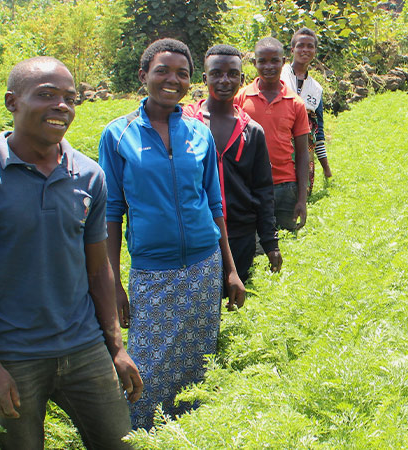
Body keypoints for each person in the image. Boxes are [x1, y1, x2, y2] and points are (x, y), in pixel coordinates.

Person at [0, 56, 142, 448]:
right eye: (47, 95)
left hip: (84, 347)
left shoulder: (89, 175)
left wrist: (116, 348)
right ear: (12, 101)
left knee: (120, 442)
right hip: (15, 356)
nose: (61, 106)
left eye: (69, 98)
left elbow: (98, 269)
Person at [98, 38, 246, 430]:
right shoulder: (118, 135)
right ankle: (142, 436)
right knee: (145, 367)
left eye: (182, 73)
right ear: (143, 75)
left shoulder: (199, 133)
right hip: (152, 272)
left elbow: (215, 205)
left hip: (203, 268)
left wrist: (230, 270)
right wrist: (114, 285)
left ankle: (188, 434)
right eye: (162, 70)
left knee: (196, 365)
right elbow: (111, 213)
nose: (172, 80)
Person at [186, 44, 283, 282]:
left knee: (236, 298)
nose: (224, 80)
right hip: (196, 236)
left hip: (241, 236)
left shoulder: (252, 131)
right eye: (216, 73)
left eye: (232, 74)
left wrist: (270, 242)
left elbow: (263, 189)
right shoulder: (186, 126)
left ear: (242, 78)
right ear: (204, 78)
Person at [236, 37, 311, 233]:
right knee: (254, 243)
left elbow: (303, 153)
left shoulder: (296, 103)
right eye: (262, 61)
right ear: (254, 63)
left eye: (274, 61)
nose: (268, 66)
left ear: (283, 61)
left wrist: (302, 199)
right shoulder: (241, 98)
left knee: (288, 242)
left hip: (286, 187)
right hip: (250, 186)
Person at [281, 27, 333, 194]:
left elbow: (318, 132)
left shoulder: (315, 89)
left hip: (304, 151)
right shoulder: (278, 76)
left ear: (315, 51)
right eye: (300, 45)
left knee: (300, 196)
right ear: (292, 49)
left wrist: (326, 168)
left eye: (310, 46)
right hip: (278, 148)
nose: (305, 50)